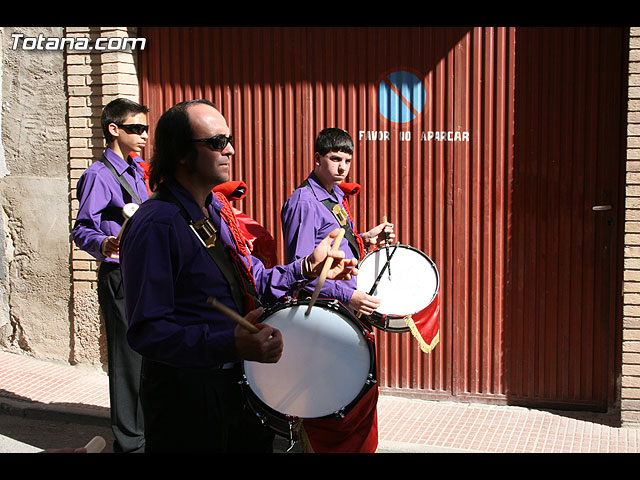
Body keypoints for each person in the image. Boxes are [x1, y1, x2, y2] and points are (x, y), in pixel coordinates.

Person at [118, 99, 357, 453]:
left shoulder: (215, 210)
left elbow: (253, 278)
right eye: (215, 142)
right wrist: (229, 343)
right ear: (182, 154)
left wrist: (308, 266)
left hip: (237, 389)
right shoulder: (156, 224)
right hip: (189, 402)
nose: (229, 149)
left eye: (228, 139)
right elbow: (147, 331)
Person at [280, 127, 395, 453]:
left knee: (352, 399)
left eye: (347, 160)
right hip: (321, 318)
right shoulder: (304, 202)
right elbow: (301, 271)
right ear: (317, 159)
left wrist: (368, 238)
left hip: (343, 314)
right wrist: (349, 295)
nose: (342, 167)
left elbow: (338, 246)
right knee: (330, 410)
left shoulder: (334, 196)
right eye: (335, 159)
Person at [72, 98, 150, 454]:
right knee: (127, 359)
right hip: (120, 276)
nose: (144, 135)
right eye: (136, 129)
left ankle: (146, 434)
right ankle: (130, 443)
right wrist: (104, 244)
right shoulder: (98, 175)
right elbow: (82, 228)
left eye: (146, 129)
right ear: (114, 130)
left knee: (148, 355)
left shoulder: (138, 172)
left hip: (146, 273)